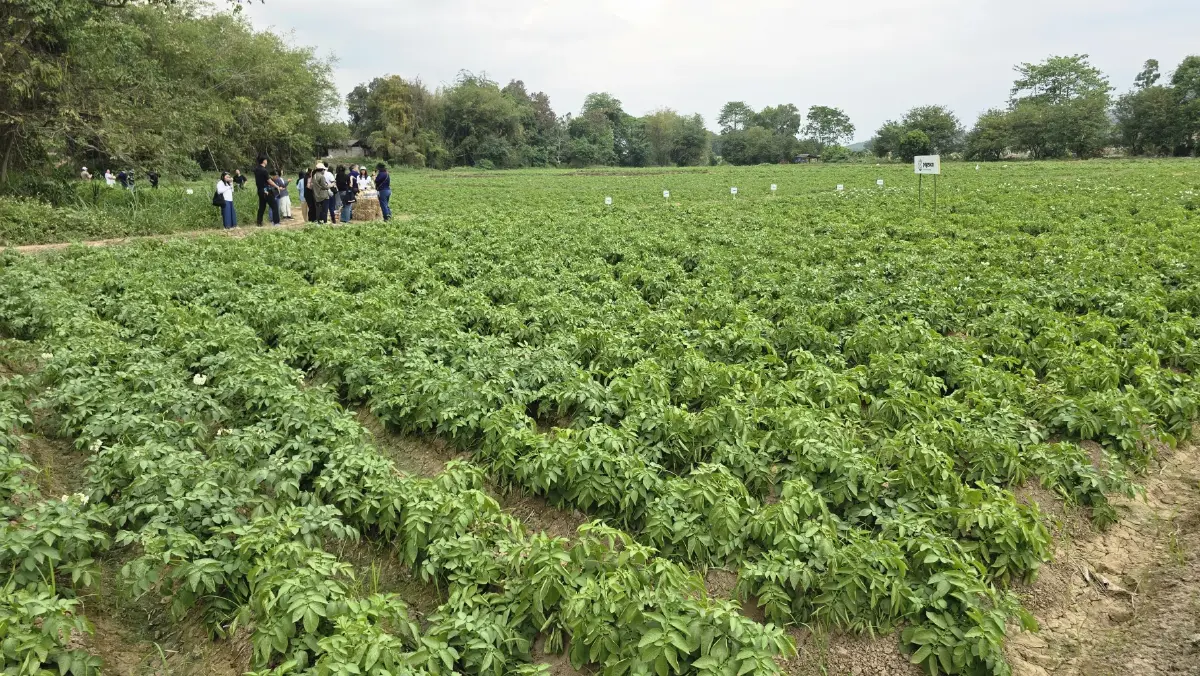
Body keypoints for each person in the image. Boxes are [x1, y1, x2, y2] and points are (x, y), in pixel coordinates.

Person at [254, 156, 277, 227]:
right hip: (266, 190)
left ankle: (259, 222)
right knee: (274, 206)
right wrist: (276, 186)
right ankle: (276, 222)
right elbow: (269, 181)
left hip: (260, 190)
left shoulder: (256, 169)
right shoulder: (264, 170)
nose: (267, 161)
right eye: (266, 160)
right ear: (263, 161)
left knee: (262, 206)